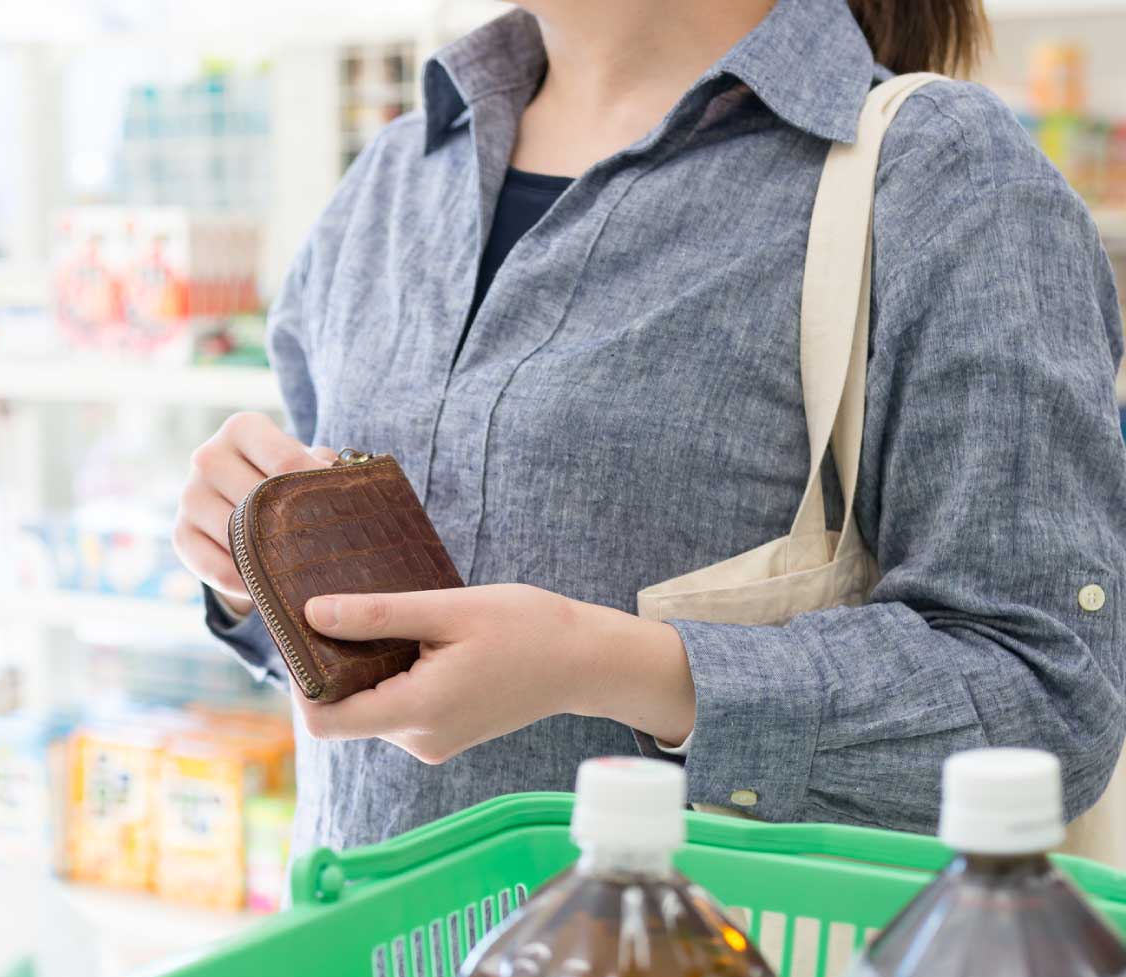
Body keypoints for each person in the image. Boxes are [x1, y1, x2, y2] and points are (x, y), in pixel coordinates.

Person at [171, 0, 1126, 853]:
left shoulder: (943, 178)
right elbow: (359, 656)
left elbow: (1043, 699)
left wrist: (610, 668)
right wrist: (262, 572)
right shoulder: (393, 177)